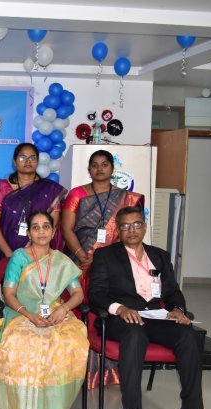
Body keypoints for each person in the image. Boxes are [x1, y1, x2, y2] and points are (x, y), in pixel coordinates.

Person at [89, 206, 211, 409]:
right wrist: (121, 308)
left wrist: (177, 310)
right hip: (121, 319)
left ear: (144, 227)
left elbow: (173, 292)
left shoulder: (160, 256)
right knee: (135, 335)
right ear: (118, 230)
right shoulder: (105, 256)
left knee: (188, 335)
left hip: (155, 316)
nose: (132, 230)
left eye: (136, 224)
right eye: (125, 226)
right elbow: (96, 294)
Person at [0, 211, 88, 409]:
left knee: (68, 342)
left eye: (46, 227)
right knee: (25, 343)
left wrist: (63, 308)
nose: (41, 231)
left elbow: (78, 294)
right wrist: (29, 315)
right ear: (29, 232)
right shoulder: (19, 257)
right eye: (36, 227)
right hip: (20, 313)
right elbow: (9, 294)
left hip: (55, 312)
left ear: (53, 231)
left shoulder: (61, 260)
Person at [61, 149, 144, 388]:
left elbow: (127, 234)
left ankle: (109, 372)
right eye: (95, 165)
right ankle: (78, 370)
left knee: (108, 310)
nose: (99, 169)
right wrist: (82, 256)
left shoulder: (126, 198)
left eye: (104, 164)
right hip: (78, 263)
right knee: (79, 314)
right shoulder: (77, 194)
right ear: (89, 169)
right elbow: (67, 229)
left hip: (112, 264)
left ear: (111, 168)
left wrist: (103, 259)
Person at [0, 143, 67, 276]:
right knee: (7, 292)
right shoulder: (3, 187)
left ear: (37, 161)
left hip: (40, 256)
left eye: (32, 157)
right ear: (14, 161)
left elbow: (52, 224)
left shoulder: (50, 189)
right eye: (22, 157)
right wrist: (10, 255)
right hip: (5, 253)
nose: (28, 161)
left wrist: (33, 254)